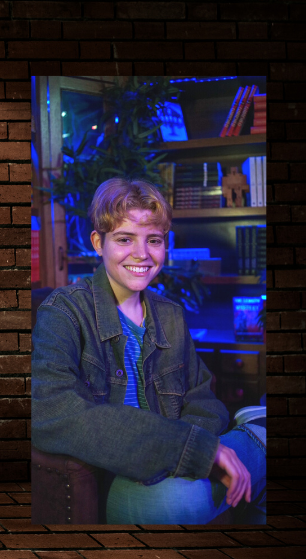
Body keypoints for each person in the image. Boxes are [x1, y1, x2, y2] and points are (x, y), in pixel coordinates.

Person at [32, 178, 266, 524]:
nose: (141, 254)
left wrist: (193, 457)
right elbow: (50, 411)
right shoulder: (64, 312)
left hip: (173, 466)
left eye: (153, 240)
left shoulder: (169, 314)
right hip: (121, 475)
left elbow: (203, 399)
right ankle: (255, 431)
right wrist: (195, 451)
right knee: (185, 500)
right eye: (124, 239)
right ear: (98, 242)